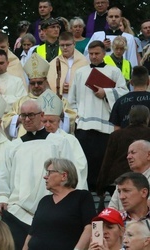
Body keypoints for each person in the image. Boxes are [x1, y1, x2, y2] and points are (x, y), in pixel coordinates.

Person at [0, 100, 77, 249]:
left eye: (31, 115)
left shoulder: (59, 143)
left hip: (52, 211)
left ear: (42, 115)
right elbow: (3, 176)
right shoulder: (13, 146)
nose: (26, 119)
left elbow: (70, 175)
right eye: (23, 115)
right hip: (17, 211)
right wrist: (1, 197)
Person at [69, 40, 128, 191]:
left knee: (103, 161)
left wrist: (106, 93)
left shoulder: (113, 71)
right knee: (86, 161)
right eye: (91, 54)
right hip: (84, 124)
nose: (94, 57)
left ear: (104, 54)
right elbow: (72, 99)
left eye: (97, 54)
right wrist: (77, 116)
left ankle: (103, 192)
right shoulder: (80, 72)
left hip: (105, 125)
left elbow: (124, 94)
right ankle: (87, 190)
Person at [23, 158, 95, 250]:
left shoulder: (82, 197)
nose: (45, 177)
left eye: (49, 172)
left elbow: (90, 226)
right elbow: (32, 232)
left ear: (64, 176)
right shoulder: (44, 201)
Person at [3, 53, 75, 139]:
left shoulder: (58, 101)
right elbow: (7, 121)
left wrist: (61, 114)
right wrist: (21, 118)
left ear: (46, 81)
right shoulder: (21, 102)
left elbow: (71, 120)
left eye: (39, 82)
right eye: (33, 83)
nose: (36, 86)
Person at [38, 89, 88, 189]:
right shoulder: (35, 141)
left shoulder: (69, 140)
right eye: (44, 121)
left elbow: (80, 166)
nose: (47, 125)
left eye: (51, 121)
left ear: (59, 121)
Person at [98, 108, 150, 200]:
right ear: (147, 118)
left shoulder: (117, 135)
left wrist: (100, 187)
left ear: (129, 119)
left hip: (117, 179)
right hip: (144, 180)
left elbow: (107, 160)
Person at [107, 140, 150, 211]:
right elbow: (111, 210)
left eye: (133, 152)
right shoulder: (123, 181)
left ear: (148, 155)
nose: (128, 157)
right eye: (128, 154)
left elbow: (145, 207)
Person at [47, 31, 89, 99]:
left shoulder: (83, 61)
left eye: (68, 45)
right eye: (62, 45)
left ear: (74, 44)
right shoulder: (53, 63)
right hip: (60, 99)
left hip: (78, 100)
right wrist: (60, 87)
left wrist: (71, 88)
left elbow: (87, 83)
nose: (65, 47)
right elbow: (49, 83)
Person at [109, 66, 150, 130]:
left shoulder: (119, 102)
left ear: (131, 83)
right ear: (148, 82)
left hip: (126, 139)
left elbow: (116, 130)